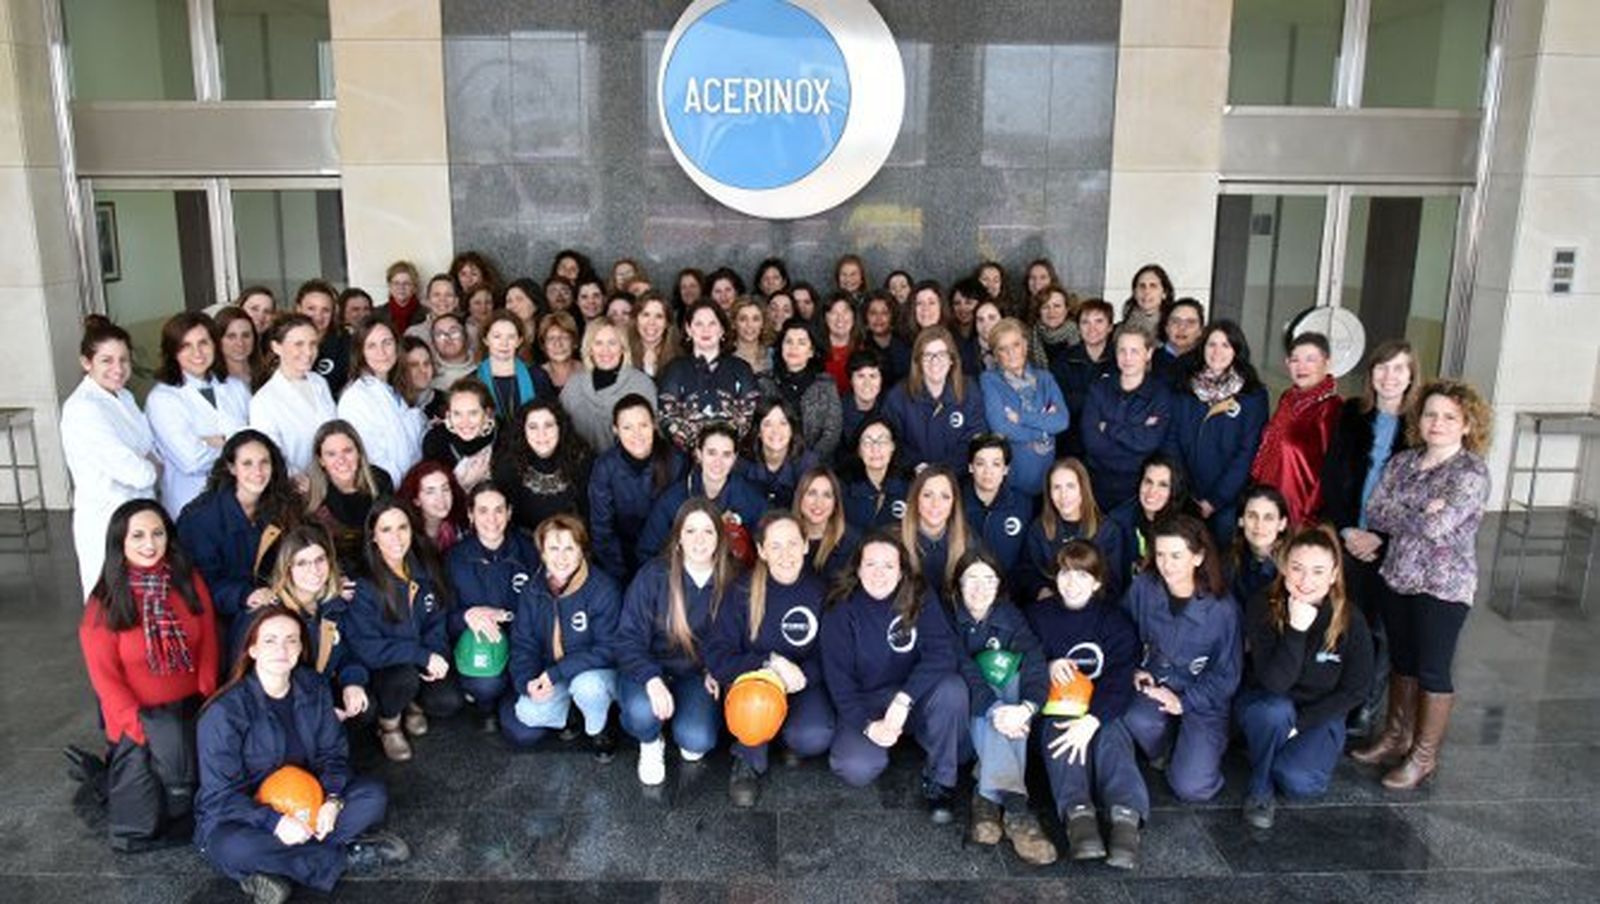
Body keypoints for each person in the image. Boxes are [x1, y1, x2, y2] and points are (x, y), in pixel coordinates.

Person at [195, 607, 406, 903]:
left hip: (309, 803)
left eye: (291, 640)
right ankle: (345, 857)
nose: (282, 649)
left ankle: (273, 870)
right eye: (270, 640)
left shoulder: (314, 687)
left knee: (372, 795)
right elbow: (219, 796)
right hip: (248, 816)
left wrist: (332, 801)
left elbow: (334, 754)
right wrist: (275, 823)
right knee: (229, 846)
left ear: (300, 648)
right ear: (252, 649)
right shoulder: (225, 712)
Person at [1352, 380, 1490, 790]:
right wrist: (1419, 509)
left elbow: (1438, 526)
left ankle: (1423, 755)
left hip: (1442, 586)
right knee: (1403, 661)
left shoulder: (1470, 472)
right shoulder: (1405, 462)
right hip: (1398, 576)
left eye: (1450, 417)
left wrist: (1407, 510)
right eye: (1431, 414)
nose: (1437, 423)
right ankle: (1396, 737)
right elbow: (1375, 511)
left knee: (1432, 668)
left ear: (1467, 425)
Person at [79, 499, 220, 850]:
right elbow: (105, 679)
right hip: (139, 723)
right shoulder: (104, 603)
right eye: (137, 535)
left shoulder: (187, 580)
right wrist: (143, 730)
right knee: (151, 809)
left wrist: (207, 699)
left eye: (157, 533)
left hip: (190, 711)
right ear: (119, 543)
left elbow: (208, 641)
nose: (149, 544)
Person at [821, 532, 967, 823]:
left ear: (901, 571)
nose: (879, 574)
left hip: (911, 697)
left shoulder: (919, 595)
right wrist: (866, 726)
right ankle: (886, 739)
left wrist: (904, 699)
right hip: (867, 700)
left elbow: (942, 654)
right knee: (856, 768)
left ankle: (940, 781)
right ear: (858, 569)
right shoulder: (841, 608)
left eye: (888, 566)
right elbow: (839, 682)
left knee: (953, 689)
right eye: (871, 564)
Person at [1236, 526, 1374, 829]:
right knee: (1275, 711)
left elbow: (1356, 689)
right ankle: (1260, 787)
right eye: (1297, 569)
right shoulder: (1263, 605)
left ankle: (1267, 752)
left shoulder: (1351, 618)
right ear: (1284, 568)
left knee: (1299, 782)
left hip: (1319, 714)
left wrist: (1300, 725)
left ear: (1334, 573)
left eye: (1317, 571)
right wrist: (1296, 630)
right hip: (1268, 705)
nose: (1306, 580)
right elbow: (1275, 684)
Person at [1027, 541, 1146, 868]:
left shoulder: (1114, 621)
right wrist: (1048, 664)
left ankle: (1126, 818)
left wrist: (1092, 720)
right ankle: (1078, 815)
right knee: (1062, 734)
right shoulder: (1038, 616)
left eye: (1082, 575)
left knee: (1112, 737)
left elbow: (1121, 677)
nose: (1072, 582)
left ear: (1096, 582)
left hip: (1101, 710)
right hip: (1056, 709)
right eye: (1066, 572)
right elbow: (1024, 657)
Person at [1320, 340, 1418, 736]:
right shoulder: (1351, 414)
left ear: (1412, 376)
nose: (1388, 376)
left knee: (1380, 629)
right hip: (1348, 533)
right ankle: (1339, 696)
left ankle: (1365, 708)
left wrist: (1378, 536)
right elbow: (1333, 474)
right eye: (1382, 367)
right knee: (1346, 619)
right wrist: (1347, 529)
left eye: (1398, 369)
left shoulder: (1418, 426)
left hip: (1390, 544)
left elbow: (1416, 496)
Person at [706, 513, 835, 806]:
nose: (785, 554)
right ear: (762, 551)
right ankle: (748, 756)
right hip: (755, 686)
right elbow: (718, 656)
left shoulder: (820, 591)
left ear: (805, 545)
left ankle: (785, 737)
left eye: (792, 543)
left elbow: (832, 655)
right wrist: (770, 663)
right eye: (775, 546)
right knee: (755, 704)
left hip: (800, 683)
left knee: (814, 736)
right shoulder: (742, 591)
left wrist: (801, 678)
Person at [946, 550, 1058, 865]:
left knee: (1014, 677)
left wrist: (1027, 708)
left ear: (999, 585)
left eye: (989, 579)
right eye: (971, 579)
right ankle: (1017, 807)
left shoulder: (1009, 615)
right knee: (988, 681)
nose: (980, 588)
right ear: (957, 584)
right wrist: (996, 710)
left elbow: (1035, 659)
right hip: (960, 720)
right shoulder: (946, 615)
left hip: (1007, 721)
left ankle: (986, 794)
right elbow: (964, 669)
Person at [1120, 515, 1242, 802]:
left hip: (1202, 699)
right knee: (1136, 717)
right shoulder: (1144, 587)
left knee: (1191, 787)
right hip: (1155, 685)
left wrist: (1184, 702)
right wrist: (1133, 668)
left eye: (1176, 555)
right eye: (1160, 554)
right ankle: (1165, 749)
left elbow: (1228, 676)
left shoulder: (1222, 609)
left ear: (1198, 557)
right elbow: (1122, 632)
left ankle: (1202, 744)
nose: (1166, 564)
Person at [617, 499, 736, 785]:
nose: (699, 539)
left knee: (697, 742)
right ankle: (650, 741)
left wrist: (714, 668)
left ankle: (682, 721)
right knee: (642, 713)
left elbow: (735, 637)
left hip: (693, 673)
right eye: (690, 531)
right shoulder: (653, 575)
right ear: (678, 538)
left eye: (708, 531)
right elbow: (627, 638)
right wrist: (651, 680)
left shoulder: (732, 579)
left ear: (719, 538)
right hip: (648, 668)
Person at [343, 500, 463, 762]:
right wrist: (420, 655)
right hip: (385, 669)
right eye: (386, 530)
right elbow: (366, 648)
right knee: (404, 679)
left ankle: (412, 704)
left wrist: (435, 655)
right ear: (373, 536)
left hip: (418, 658)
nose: (396, 537)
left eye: (402, 527)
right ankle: (389, 725)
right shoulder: (363, 583)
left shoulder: (424, 567)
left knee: (448, 700)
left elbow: (436, 620)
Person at [500, 514, 622, 760]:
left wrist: (555, 673)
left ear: (581, 552)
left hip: (598, 673)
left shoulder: (602, 588)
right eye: (553, 548)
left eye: (569, 548)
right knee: (527, 712)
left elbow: (608, 649)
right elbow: (524, 645)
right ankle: (571, 714)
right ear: (542, 553)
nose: (561, 557)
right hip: (555, 672)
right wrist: (527, 683)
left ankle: (598, 729)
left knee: (587, 687)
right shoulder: (532, 591)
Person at [62, 316, 160, 597]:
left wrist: (147, 464)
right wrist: (149, 468)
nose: (118, 369)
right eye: (107, 361)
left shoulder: (124, 397)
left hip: (140, 512)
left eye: (124, 360)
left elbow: (150, 449)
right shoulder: (84, 409)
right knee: (112, 604)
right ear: (86, 363)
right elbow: (135, 471)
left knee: (145, 602)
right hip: (108, 516)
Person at [178, 431, 302, 640]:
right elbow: (198, 582)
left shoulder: (282, 505)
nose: (258, 471)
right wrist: (245, 595)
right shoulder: (201, 517)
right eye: (247, 463)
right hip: (218, 617)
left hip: (272, 605)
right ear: (231, 468)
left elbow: (301, 550)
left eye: (265, 462)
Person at [1165, 320, 1269, 544]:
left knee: (1222, 564)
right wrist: (1186, 490)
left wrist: (1215, 500)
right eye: (1211, 344)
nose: (1217, 352)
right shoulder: (1184, 387)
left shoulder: (1252, 395)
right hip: (1186, 495)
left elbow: (1247, 452)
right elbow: (1171, 438)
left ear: (1237, 351)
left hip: (1227, 501)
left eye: (1226, 345)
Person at [146, 312, 252, 517]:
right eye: (186, 346)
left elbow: (259, 441)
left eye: (204, 342)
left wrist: (216, 442)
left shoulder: (235, 387)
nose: (198, 353)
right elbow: (191, 461)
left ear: (215, 345)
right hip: (192, 504)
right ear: (173, 352)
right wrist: (238, 445)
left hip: (242, 502)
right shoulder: (163, 399)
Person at [445, 481, 532, 727]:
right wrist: (466, 616)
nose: (491, 519)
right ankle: (486, 704)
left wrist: (507, 616)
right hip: (480, 655)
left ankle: (511, 699)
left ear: (509, 512)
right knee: (486, 685)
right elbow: (440, 619)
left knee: (524, 735)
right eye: (482, 510)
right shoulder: (454, 558)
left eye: (498, 510)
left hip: (522, 650)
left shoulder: (529, 551)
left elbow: (544, 610)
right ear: (471, 514)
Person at [256, 525, 369, 715]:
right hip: (285, 706)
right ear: (287, 568)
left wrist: (353, 682)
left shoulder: (335, 605)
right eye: (302, 563)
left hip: (321, 689)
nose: (314, 570)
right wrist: (320, 711)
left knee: (366, 706)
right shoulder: (270, 613)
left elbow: (349, 652)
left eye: (320, 560)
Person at [588, 395, 686, 585]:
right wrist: (622, 575)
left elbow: (680, 522)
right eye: (627, 427)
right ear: (615, 430)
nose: (637, 434)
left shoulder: (676, 461)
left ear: (654, 424)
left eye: (643, 425)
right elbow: (602, 530)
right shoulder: (604, 467)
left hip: (665, 558)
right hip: (620, 559)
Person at [638, 422, 767, 563]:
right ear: (699, 454)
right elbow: (647, 552)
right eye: (711, 453)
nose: (718, 462)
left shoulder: (751, 498)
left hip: (735, 579)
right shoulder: (673, 499)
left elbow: (769, 546)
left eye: (726, 454)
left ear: (735, 458)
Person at [1250, 331, 1342, 526]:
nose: (1302, 367)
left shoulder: (1331, 407)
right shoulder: (1288, 398)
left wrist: (1308, 517)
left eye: (1311, 359)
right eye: (1295, 360)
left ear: (1327, 363)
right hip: (1268, 505)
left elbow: (1329, 472)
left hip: (1299, 512)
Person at [1081, 324, 1171, 511]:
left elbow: (1150, 441)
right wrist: (1135, 431)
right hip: (1098, 483)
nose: (1127, 358)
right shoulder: (1098, 389)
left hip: (1138, 485)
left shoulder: (1160, 394)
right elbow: (1092, 442)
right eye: (1122, 351)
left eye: (1135, 351)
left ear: (1148, 354)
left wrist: (1109, 428)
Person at [981, 318, 1069, 496]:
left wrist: (1021, 418)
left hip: (1048, 480)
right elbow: (1002, 428)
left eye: (1016, 345)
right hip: (1013, 481)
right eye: (1003, 349)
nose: (1011, 353)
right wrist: (1045, 427)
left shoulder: (1045, 378)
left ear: (1025, 345)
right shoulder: (989, 380)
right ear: (996, 355)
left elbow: (1062, 422)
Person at [657, 301, 761, 451]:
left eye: (712, 323)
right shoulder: (674, 369)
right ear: (688, 329)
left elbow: (750, 414)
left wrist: (721, 451)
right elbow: (667, 417)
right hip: (686, 457)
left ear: (722, 330)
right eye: (698, 324)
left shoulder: (741, 369)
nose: (705, 330)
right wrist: (699, 451)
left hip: (733, 455)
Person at [882, 326, 988, 472]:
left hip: (959, 480)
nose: (935, 361)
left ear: (952, 359)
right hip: (914, 479)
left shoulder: (969, 390)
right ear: (918, 361)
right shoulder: (898, 396)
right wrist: (915, 464)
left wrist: (945, 471)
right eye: (927, 355)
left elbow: (975, 436)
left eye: (941, 354)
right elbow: (891, 440)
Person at [1019, 457, 1124, 603]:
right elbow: (1026, 573)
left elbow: (1113, 585)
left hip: (1093, 611)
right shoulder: (1038, 529)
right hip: (1050, 607)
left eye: (1070, 486)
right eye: (1056, 487)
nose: (1064, 495)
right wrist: (1041, 591)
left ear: (1083, 488)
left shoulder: (1108, 531)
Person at [250, 313, 338, 482]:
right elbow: (272, 457)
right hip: (297, 492)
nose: (308, 352)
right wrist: (301, 481)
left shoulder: (319, 382)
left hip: (333, 482)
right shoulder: (263, 401)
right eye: (299, 344)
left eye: (313, 344)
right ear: (276, 347)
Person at [338, 319, 425, 486]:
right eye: (371, 346)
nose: (382, 352)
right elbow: (371, 458)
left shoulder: (396, 389)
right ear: (361, 352)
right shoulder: (355, 398)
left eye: (387, 343)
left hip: (412, 488)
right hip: (388, 491)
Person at [304, 421, 394, 574]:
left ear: (359, 452)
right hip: (338, 578)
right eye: (331, 454)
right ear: (321, 460)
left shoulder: (380, 481)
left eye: (347, 451)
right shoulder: (311, 496)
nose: (341, 460)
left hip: (383, 568)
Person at [493, 399, 593, 534]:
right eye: (533, 427)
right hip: (525, 547)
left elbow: (591, 516)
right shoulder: (507, 466)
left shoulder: (583, 461)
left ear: (560, 427)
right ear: (523, 431)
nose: (541, 434)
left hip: (571, 544)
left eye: (549, 425)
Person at [560, 320, 657, 452]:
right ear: (590, 349)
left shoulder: (641, 385)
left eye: (612, 343)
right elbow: (561, 432)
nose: (605, 350)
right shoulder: (573, 386)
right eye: (598, 343)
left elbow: (653, 435)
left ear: (622, 348)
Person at [761, 317, 844, 462]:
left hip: (816, 465)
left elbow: (832, 431)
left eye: (801, 343)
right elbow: (759, 428)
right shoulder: (764, 382)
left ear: (811, 351)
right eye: (789, 342)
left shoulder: (825, 384)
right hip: (773, 462)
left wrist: (809, 461)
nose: (794, 348)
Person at [1106, 454, 1195, 586]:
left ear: (1174, 490)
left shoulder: (1187, 526)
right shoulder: (1118, 521)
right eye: (1148, 481)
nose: (1152, 491)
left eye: (1163, 485)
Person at [961, 434, 1033, 580]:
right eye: (981, 464)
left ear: (1006, 469)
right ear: (970, 467)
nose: (988, 472)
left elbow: (1027, 561)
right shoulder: (955, 502)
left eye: (996, 464)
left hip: (1008, 592)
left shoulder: (1023, 504)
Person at [1051, 298, 1115, 460]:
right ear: (1078, 327)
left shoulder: (1120, 359)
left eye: (1099, 321)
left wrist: (1082, 398)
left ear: (1110, 327)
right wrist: (1098, 399)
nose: (1092, 328)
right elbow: (1058, 401)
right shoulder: (1064, 359)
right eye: (1085, 322)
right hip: (1070, 443)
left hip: (1110, 443)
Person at [902, 465, 971, 598]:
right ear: (916, 499)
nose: (936, 504)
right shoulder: (892, 540)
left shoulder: (969, 540)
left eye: (945, 496)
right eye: (927, 495)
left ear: (954, 503)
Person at [738, 398, 818, 509]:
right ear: (758, 432)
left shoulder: (807, 463)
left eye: (783, 423)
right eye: (767, 424)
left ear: (792, 430)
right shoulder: (742, 463)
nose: (776, 430)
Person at [421, 379, 497, 490]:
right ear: (448, 414)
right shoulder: (435, 441)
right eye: (457, 414)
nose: (464, 422)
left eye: (473, 413)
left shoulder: (503, 436)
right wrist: (463, 483)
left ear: (487, 413)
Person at [840, 417, 910, 533]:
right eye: (867, 442)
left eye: (882, 441)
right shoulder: (842, 489)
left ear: (893, 446)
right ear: (859, 450)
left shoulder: (909, 487)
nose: (875, 449)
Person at [1230, 485, 1292, 610]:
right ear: (1241, 521)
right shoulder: (1228, 563)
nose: (1259, 525)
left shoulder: (1294, 566)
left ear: (1282, 524)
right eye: (1252, 516)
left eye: (1268, 518)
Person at [475, 310, 541, 426]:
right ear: (486, 340)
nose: (504, 343)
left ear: (519, 341)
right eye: (497, 336)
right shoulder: (473, 380)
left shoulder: (538, 376)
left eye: (511, 337)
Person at [793, 466, 860, 578]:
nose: (819, 503)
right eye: (812, 493)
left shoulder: (851, 543)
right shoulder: (785, 537)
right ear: (799, 497)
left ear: (835, 503)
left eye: (827, 495)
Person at [398, 460, 467, 555]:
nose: (441, 498)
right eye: (430, 492)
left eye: (445, 489)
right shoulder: (407, 538)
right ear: (416, 500)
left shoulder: (456, 528)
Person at [296, 280, 350, 392]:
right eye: (311, 309)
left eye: (325, 310)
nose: (318, 316)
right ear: (299, 309)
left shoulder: (345, 343)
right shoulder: (285, 341)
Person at [839, 349, 886, 465]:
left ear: (881, 380)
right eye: (860, 376)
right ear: (851, 380)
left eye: (873, 376)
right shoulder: (837, 411)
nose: (867, 383)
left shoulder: (889, 409)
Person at [861, 291, 910, 388]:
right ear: (866, 317)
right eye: (873, 313)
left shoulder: (907, 342)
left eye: (885, 313)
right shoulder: (860, 346)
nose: (879, 318)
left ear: (892, 316)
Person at [1152, 298, 1205, 385]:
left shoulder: (1206, 362)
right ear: (1166, 328)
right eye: (1175, 321)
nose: (1182, 328)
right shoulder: (1148, 360)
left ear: (1200, 331)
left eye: (1190, 322)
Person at [630, 292, 682, 379]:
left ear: (667, 323)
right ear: (636, 319)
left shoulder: (679, 358)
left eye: (659, 316)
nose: (651, 322)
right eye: (646, 315)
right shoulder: (622, 354)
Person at [1029, 285, 1079, 366]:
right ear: (1038, 311)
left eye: (1057, 306)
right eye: (1045, 307)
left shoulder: (1082, 337)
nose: (1051, 312)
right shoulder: (1029, 338)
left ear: (1066, 309)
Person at [821, 293, 860, 393]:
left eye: (845, 312)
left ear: (854, 315)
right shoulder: (814, 348)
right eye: (833, 312)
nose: (840, 318)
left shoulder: (865, 346)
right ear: (825, 317)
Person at [215, 307, 264, 387]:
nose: (240, 343)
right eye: (231, 336)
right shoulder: (211, 382)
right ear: (218, 340)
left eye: (246, 336)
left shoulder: (267, 377)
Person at [428, 312, 478, 390]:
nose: (448, 338)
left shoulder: (483, 367)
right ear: (433, 342)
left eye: (453, 332)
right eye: (440, 334)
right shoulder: (429, 375)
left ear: (465, 335)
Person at [536, 311, 584, 393]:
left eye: (564, 337)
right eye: (551, 338)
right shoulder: (534, 376)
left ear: (574, 342)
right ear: (543, 345)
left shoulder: (588, 371)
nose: (558, 344)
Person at [1120, 264, 1172, 336]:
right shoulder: (1117, 333)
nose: (1146, 291)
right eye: (1142, 286)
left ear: (1164, 293)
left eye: (1153, 286)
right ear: (1134, 293)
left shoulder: (1174, 332)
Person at [730, 296, 772, 375]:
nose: (749, 325)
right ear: (734, 323)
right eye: (743, 319)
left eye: (755, 319)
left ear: (763, 323)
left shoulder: (773, 356)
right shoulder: (724, 358)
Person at [383, 260, 422, 335]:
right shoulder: (377, 314)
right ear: (390, 286)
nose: (401, 287)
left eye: (406, 283)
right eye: (396, 283)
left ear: (414, 287)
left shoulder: (426, 314)